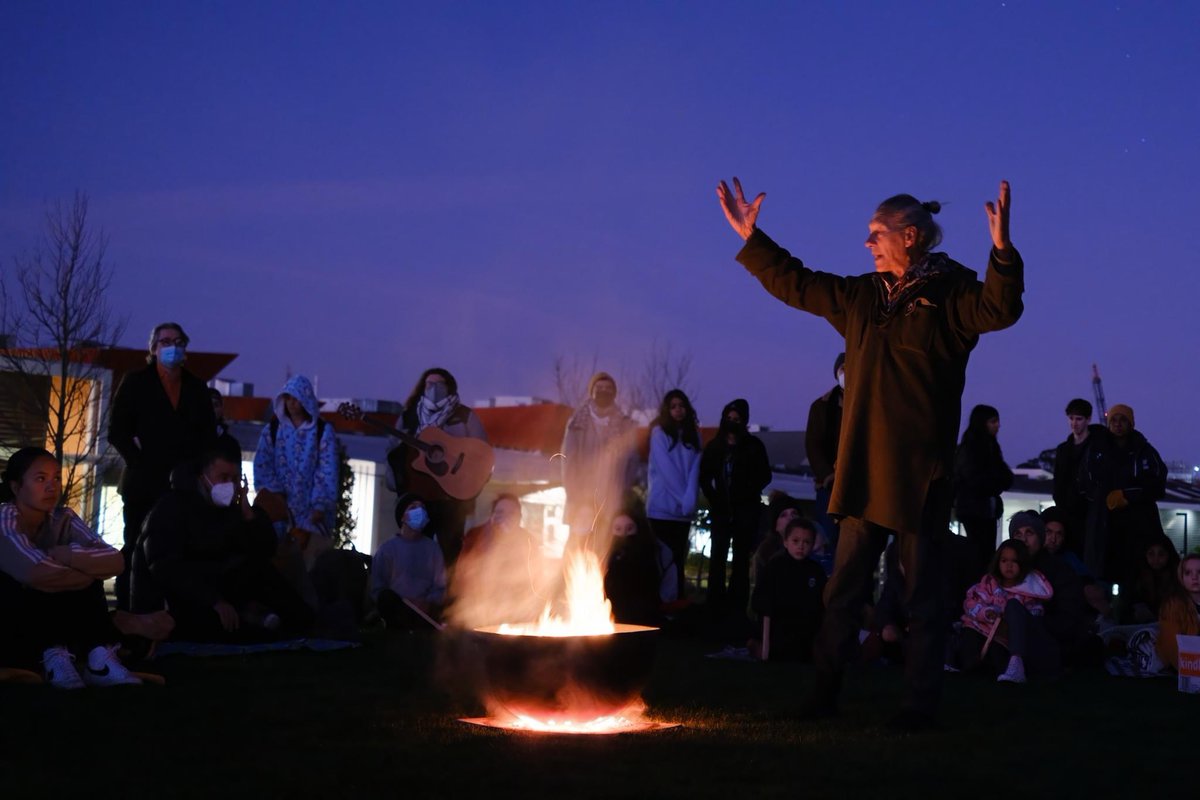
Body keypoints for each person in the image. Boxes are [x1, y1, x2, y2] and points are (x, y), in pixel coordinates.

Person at [718, 176, 1023, 729]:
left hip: (919, 478)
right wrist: (752, 238)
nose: (867, 244)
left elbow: (999, 310)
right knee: (842, 593)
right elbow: (799, 283)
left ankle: (917, 707)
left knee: (924, 601)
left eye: (876, 233)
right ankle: (824, 695)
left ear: (910, 236)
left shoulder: (951, 295)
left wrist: (1001, 252)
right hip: (860, 475)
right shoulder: (862, 297)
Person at [132, 440, 313, 641]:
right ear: (203, 477)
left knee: (261, 573)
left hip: (214, 595)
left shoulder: (230, 510)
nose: (230, 485)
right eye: (223, 477)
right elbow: (166, 568)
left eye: (235, 478)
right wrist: (213, 600)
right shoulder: (171, 508)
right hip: (176, 605)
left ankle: (305, 623)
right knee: (238, 630)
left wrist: (247, 512)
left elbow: (261, 554)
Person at [0, 448, 141, 687]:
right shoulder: (5, 517)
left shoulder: (62, 517)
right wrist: (86, 570)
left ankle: (98, 659)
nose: (52, 486)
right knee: (34, 582)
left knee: (70, 575)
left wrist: (68, 555)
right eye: (40, 479)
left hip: (49, 615)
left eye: (56, 477)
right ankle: (53, 655)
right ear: (16, 487)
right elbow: (34, 571)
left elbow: (114, 559)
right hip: (9, 619)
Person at [109, 322, 217, 610]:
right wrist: (139, 461)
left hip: (181, 486)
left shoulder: (196, 387)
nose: (171, 346)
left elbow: (207, 435)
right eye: (165, 341)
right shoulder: (135, 383)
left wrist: (194, 473)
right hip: (142, 483)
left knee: (178, 551)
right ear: (153, 349)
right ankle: (129, 612)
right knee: (134, 548)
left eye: (177, 341)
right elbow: (117, 431)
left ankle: (177, 614)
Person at [387, 367, 488, 566]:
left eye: (439, 384)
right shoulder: (409, 417)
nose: (433, 389)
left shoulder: (464, 416)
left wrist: (471, 483)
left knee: (450, 554)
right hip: (417, 498)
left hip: (452, 500)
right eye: (429, 384)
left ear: (449, 387)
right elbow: (392, 451)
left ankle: (446, 594)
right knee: (413, 551)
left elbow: (482, 454)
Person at [253, 375, 339, 570]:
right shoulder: (273, 430)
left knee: (310, 566)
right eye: (288, 398)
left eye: (296, 398)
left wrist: (320, 504)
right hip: (280, 513)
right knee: (276, 563)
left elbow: (327, 470)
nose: (292, 403)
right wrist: (275, 496)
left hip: (312, 517)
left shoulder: (322, 432)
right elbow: (262, 465)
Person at [1088, 403, 1168, 605]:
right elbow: (1085, 480)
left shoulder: (1145, 450)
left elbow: (1157, 484)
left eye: (1122, 419)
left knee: (1136, 572)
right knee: (1108, 572)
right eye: (1113, 420)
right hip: (1106, 523)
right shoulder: (1098, 450)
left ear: (1131, 423)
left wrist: (1128, 495)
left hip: (1138, 524)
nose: (1117, 424)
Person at [698, 398, 771, 615]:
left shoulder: (754, 446)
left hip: (745, 513)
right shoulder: (715, 446)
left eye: (737, 419)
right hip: (722, 512)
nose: (732, 422)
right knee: (717, 560)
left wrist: (746, 493)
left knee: (740, 563)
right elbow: (704, 477)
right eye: (729, 419)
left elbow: (765, 475)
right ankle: (715, 610)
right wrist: (715, 499)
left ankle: (736, 611)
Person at [1008, 510, 1099, 670]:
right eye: (1018, 534)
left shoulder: (1059, 570)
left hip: (1050, 638)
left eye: (1029, 533)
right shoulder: (1005, 567)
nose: (1023, 539)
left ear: (1040, 537)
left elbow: (1068, 617)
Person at [956, 540, 1054, 683]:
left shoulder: (1028, 592)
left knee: (998, 655)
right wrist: (986, 613)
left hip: (1005, 638)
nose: (1009, 565)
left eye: (1014, 561)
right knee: (969, 634)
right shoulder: (989, 584)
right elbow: (971, 603)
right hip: (982, 629)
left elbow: (1034, 616)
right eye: (1004, 560)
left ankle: (1013, 666)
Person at [561, 371, 639, 538]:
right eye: (600, 387)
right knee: (579, 549)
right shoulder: (576, 424)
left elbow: (632, 461)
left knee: (608, 548)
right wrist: (575, 497)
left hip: (612, 498)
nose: (604, 391)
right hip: (582, 497)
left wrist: (622, 490)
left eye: (608, 388)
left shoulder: (626, 425)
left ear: (614, 393)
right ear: (592, 391)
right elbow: (568, 462)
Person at [646, 389, 702, 595]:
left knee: (678, 561)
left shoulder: (694, 435)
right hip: (661, 509)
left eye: (681, 406)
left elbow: (696, 470)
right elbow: (666, 470)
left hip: (683, 514)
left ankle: (675, 608)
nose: (678, 410)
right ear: (667, 410)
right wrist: (684, 498)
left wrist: (690, 500)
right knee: (662, 561)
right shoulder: (659, 434)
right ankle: (658, 606)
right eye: (673, 406)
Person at [750, 518, 826, 661]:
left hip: (805, 628)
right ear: (786, 542)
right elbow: (759, 597)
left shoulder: (815, 571)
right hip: (779, 627)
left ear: (812, 545)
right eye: (796, 541)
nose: (801, 546)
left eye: (806, 542)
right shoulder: (775, 566)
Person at [369, 494, 447, 630]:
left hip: (425, 616)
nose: (420, 511)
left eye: (422, 508)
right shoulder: (387, 549)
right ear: (402, 517)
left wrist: (426, 603)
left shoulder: (433, 549)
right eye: (413, 507)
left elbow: (440, 587)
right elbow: (377, 589)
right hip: (395, 616)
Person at [953, 404, 1014, 577]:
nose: (998, 426)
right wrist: (995, 483)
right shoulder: (971, 448)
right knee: (980, 554)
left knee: (985, 554)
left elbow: (1005, 476)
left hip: (984, 508)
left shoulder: (990, 446)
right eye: (993, 421)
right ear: (983, 423)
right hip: (975, 509)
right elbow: (975, 479)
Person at [1051, 398, 1108, 558]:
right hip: (1068, 512)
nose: (1074, 423)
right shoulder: (1063, 449)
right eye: (1071, 418)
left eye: (1079, 419)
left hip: (1091, 512)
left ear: (1088, 419)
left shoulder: (1098, 447)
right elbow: (1058, 480)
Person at [805, 352, 844, 549]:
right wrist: (827, 475)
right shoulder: (821, 407)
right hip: (828, 485)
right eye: (843, 369)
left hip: (860, 485)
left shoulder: (870, 404)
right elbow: (813, 444)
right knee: (827, 540)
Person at [604, 512, 667, 627]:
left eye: (629, 528)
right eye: (618, 529)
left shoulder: (651, 556)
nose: (623, 534)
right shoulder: (605, 556)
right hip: (610, 617)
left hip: (642, 620)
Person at [1156, 553, 1200, 671]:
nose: (1195, 577)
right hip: (1181, 663)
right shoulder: (1172, 605)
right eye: (1188, 573)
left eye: (1199, 572)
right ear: (1181, 576)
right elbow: (1171, 645)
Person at [1127, 535, 1180, 624]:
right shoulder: (1138, 576)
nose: (1156, 559)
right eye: (1151, 554)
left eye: (1161, 554)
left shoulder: (1178, 576)